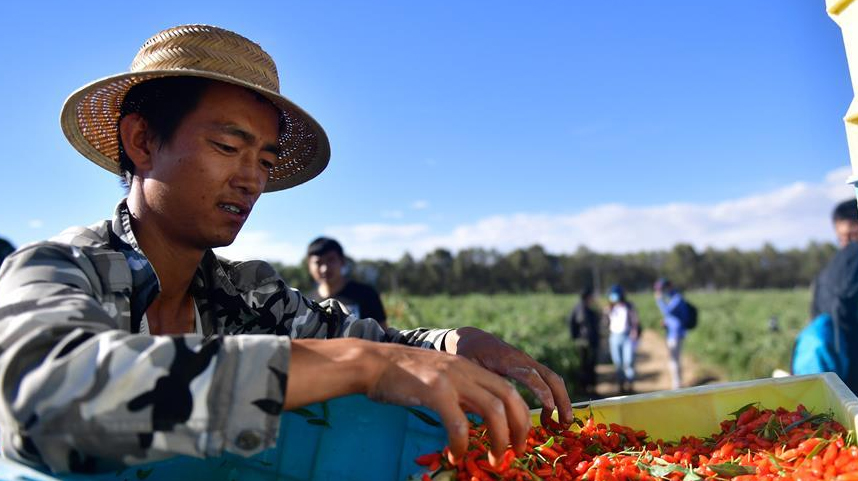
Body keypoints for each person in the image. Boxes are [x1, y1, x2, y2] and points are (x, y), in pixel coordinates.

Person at [0, 25, 572, 473]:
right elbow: (45, 393)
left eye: (266, 161)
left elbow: (381, 345)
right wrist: (359, 366)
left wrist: (457, 342)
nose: (252, 180)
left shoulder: (248, 296)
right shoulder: (59, 270)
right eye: (228, 145)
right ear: (142, 141)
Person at [306, 237, 387, 329]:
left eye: (331, 260)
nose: (325, 268)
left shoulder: (366, 295)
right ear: (309, 266)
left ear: (342, 261)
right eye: (318, 262)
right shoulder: (307, 303)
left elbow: (383, 335)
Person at [604, 285, 640, 394]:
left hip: (627, 337)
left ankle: (630, 384)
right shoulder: (610, 308)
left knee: (628, 362)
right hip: (614, 337)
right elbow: (605, 324)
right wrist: (605, 313)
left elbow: (635, 321)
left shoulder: (629, 306)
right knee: (618, 363)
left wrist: (635, 331)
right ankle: (621, 385)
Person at [654, 278, 687, 390]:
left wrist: (659, 300)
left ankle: (677, 386)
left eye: (662, 289)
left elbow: (667, 311)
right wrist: (666, 322)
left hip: (676, 334)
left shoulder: (677, 298)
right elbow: (672, 316)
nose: (661, 291)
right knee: (674, 359)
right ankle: (677, 383)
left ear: (669, 286)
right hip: (671, 333)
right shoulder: (671, 298)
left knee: (674, 359)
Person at [566, 286, 600, 395]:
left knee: (590, 364)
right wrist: (576, 337)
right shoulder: (580, 309)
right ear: (587, 297)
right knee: (585, 365)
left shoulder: (588, 308)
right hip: (584, 342)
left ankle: (590, 388)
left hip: (591, 341)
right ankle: (585, 389)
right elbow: (572, 324)